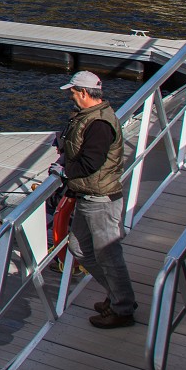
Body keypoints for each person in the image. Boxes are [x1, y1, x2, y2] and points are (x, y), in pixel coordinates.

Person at [56, 70, 137, 329]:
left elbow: (91, 163)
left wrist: (63, 171)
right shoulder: (91, 117)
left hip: (100, 200)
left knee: (108, 255)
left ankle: (122, 308)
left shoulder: (99, 124)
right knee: (79, 249)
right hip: (86, 195)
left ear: (83, 93)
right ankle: (117, 297)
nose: (71, 97)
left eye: (73, 92)